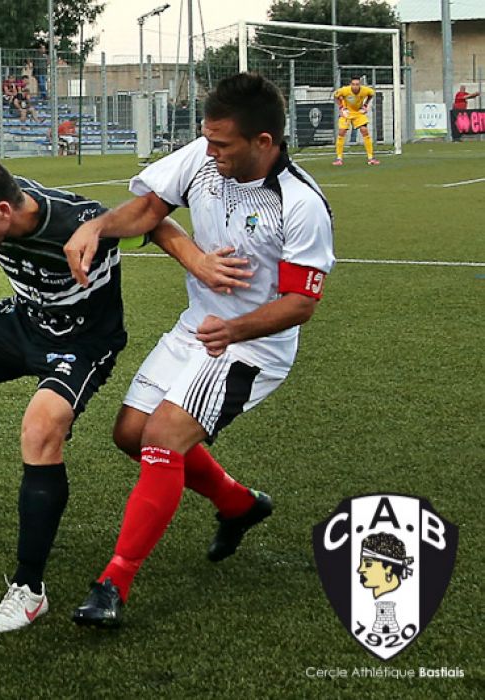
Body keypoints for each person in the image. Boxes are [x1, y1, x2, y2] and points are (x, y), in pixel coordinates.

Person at [0, 155, 244, 634]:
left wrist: (199, 262)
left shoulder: (75, 220)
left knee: (40, 429)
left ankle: (28, 588)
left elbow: (156, 222)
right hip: (24, 321)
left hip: (82, 344)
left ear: (2, 212)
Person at [63, 72, 335, 628]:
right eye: (207, 140)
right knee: (129, 435)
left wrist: (234, 333)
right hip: (198, 327)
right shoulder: (202, 157)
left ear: (264, 142)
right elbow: (148, 212)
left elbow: (299, 305)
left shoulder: (301, 204)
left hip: (253, 346)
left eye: (222, 144)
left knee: (163, 437)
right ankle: (238, 504)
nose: (209, 153)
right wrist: (98, 227)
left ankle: (114, 582)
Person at [333, 76, 378, 165]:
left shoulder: (365, 90)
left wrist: (365, 105)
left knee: (364, 130)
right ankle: (339, 159)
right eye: (353, 84)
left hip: (358, 113)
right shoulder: (344, 90)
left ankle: (371, 158)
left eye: (357, 84)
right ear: (350, 84)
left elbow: (371, 94)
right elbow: (335, 96)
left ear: (360, 85)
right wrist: (342, 108)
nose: (355, 86)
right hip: (347, 113)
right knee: (342, 132)